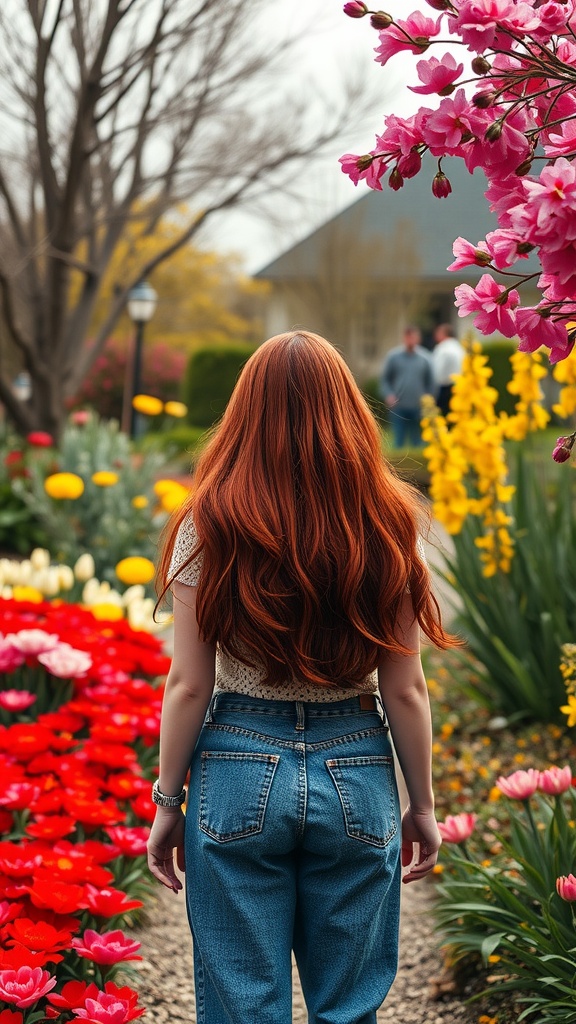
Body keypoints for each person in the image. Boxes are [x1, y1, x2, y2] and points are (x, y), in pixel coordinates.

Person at [148, 331, 457, 1024]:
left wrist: (169, 801)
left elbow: (189, 685)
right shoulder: (388, 521)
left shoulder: (210, 520)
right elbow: (404, 688)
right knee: (348, 1007)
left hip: (234, 765)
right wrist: (423, 807)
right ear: (349, 413)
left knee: (241, 1002)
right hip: (357, 766)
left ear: (243, 415)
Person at [379, 326, 436, 448]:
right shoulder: (393, 357)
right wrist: (388, 394)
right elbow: (385, 380)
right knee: (398, 441)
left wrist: (429, 400)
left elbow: (431, 383)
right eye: (408, 337)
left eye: (413, 337)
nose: (410, 340)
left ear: (418, 338)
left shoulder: (425, 358)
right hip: (398, 406)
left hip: (418, 406)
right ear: (404, 338)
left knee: (418, 442)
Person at [431, 323, 466, 416]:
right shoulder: (459, 347)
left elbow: (436, 370)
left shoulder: (443, 348)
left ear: (444, 334)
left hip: (445, 387)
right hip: (460, 386)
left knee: (443, 415)